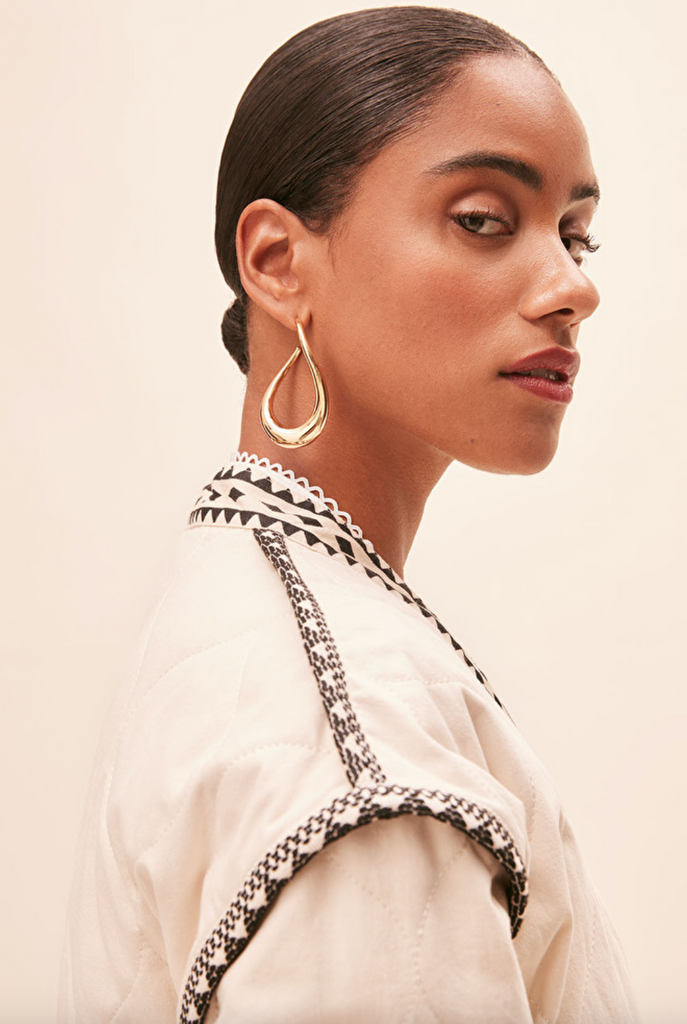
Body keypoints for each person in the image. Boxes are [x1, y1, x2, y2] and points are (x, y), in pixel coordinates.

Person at [59, 7, 640, 1022]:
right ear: (277, 261)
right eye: (484, 218)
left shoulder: (247, 606)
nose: (571, 288)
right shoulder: (356, 728)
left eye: (575, 234)